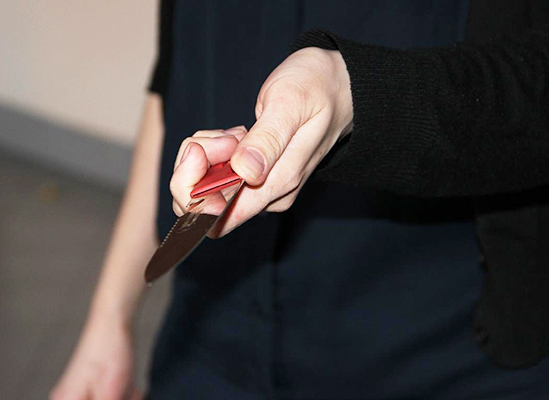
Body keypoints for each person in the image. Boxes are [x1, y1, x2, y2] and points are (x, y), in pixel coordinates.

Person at [52, 1, 549, 399]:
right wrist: (108, 321)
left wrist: (359, 93)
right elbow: (176, 75)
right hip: (208, 339)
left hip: (438, 355)